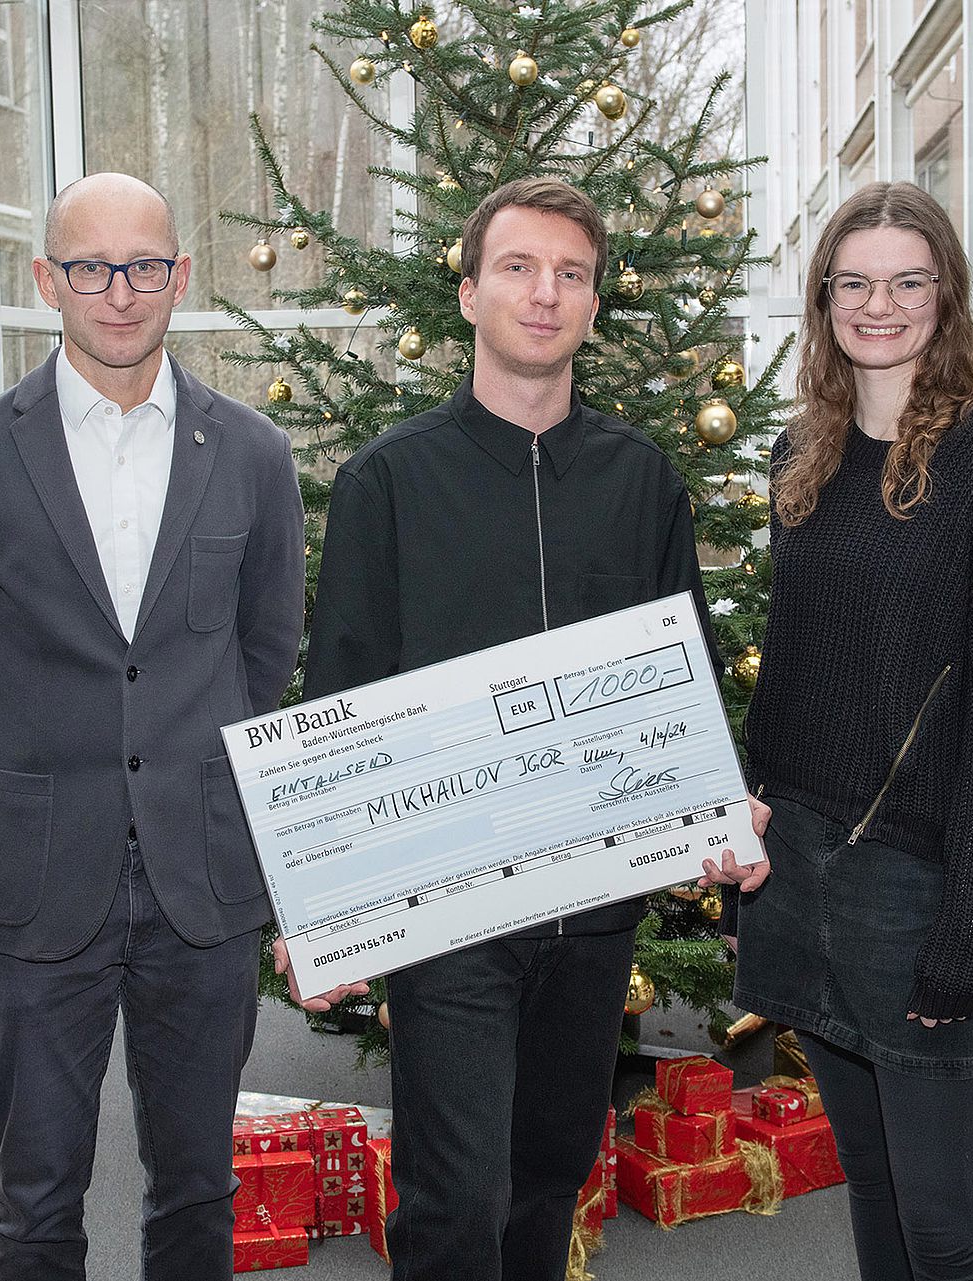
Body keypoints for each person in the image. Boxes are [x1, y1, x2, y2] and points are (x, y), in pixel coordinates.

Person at [0, 172, 318, 1281]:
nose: (118, 294)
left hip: (202, 881)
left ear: (178, 277)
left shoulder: (257, 456)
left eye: (142, 268)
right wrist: (20, 781)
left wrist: (190, 774)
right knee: (34, 1197)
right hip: (35, 879)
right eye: (90, 267)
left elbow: (264, 649)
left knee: (196, 1189)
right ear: (48, 281)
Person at [302, 176, 722, 1281]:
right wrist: (328, 902)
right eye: (519, 268)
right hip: (449, 918)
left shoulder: (642, 483)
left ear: (593, 305)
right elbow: (337, 696)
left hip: (594, 907)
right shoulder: (388, 482)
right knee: (453, 1196)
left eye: (570, 275)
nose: (545, 294)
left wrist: (713, 808)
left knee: (550, 1171)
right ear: (470, 294)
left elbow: (685, 684)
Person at [702, 181, 973, 1281]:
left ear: (945, 294)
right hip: (803, 857)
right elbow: (795, 671)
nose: (880, 305)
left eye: (908, 281)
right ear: (822, 300)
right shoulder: (798, 451)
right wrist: (740, 830)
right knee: (872, 1188)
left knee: (946, 1231)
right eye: (853, 283)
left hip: (919, 879)